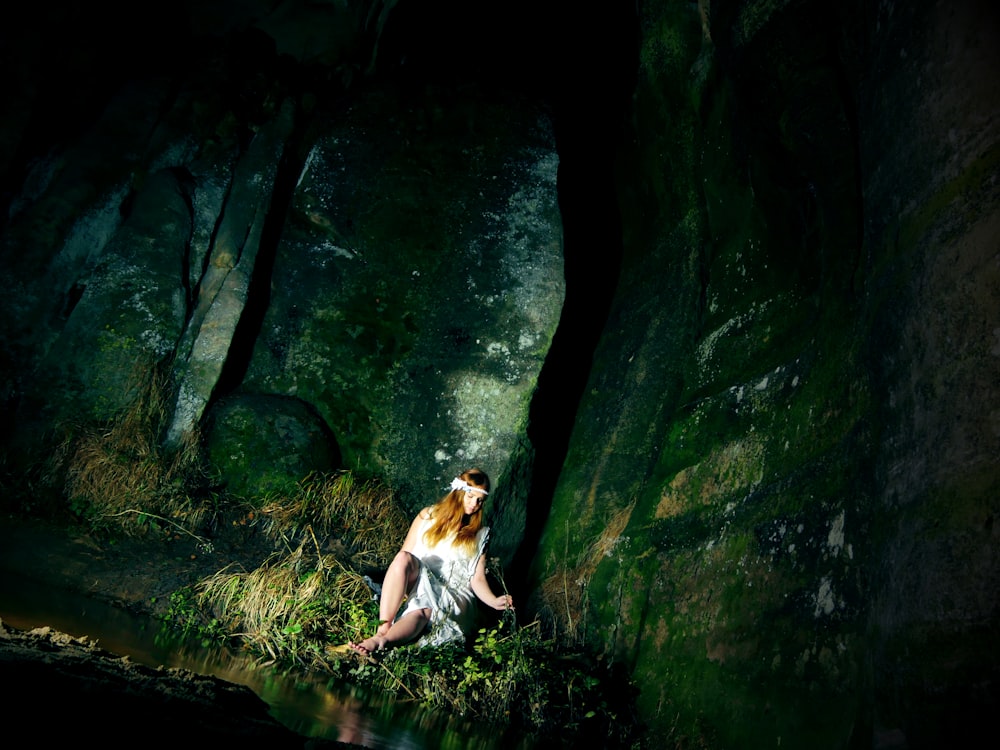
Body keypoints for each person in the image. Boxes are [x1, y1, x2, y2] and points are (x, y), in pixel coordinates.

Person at [348, 468, 514, 656]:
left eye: (480, 501)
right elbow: (403, 556)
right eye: (470, 497)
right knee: (403, 559)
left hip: (453, 592)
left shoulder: (480, 533)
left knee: (424, 608)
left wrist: (494, 601)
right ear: (458, 492)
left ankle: (381, 642)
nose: (474, 504)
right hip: (420, 578)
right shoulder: (427, 515)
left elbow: (477, 579)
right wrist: (400, 588)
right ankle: (383, 628)